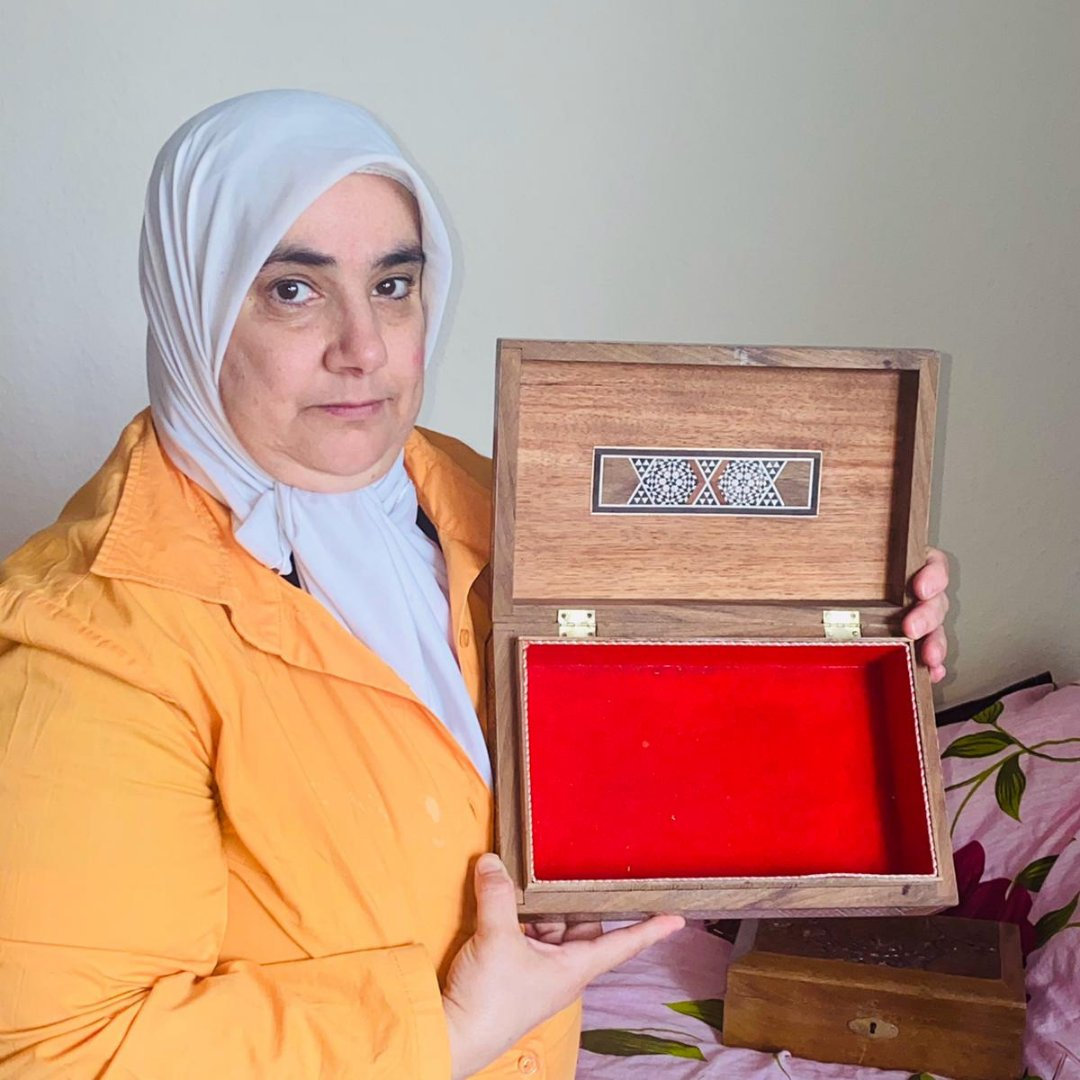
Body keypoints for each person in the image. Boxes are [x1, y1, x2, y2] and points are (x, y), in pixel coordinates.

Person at [0, 90, 951, 1079]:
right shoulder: (87, 643)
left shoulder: (480, 500)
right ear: (191, 305)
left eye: (394, 285)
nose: (364, 347)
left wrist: (857, 617)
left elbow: (663, 708)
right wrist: (452, 1027)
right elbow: (55, 1055)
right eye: (292, 289)